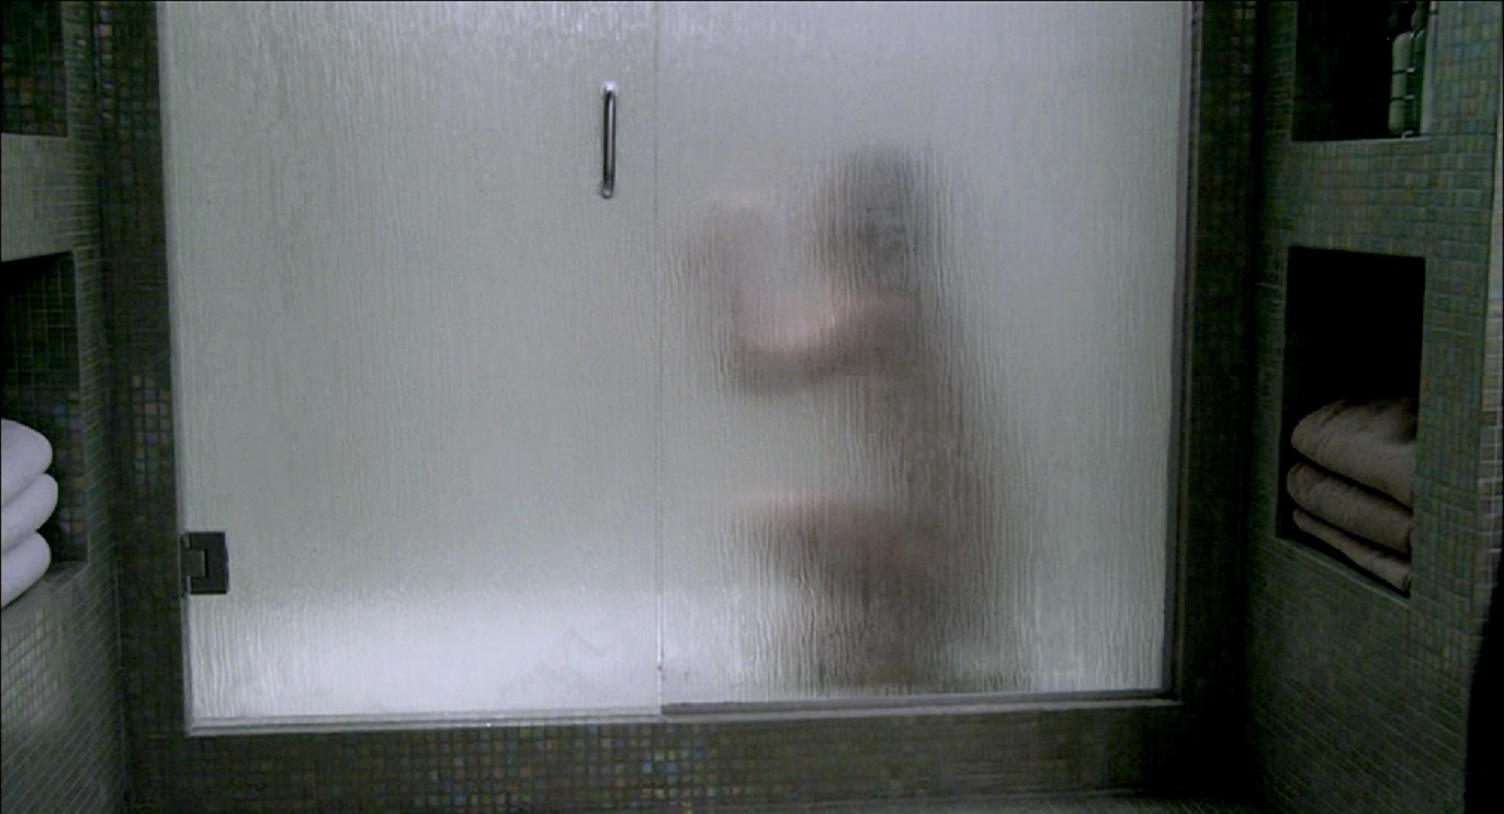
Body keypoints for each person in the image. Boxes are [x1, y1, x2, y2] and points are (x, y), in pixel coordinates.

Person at [693, 149, 983, 692]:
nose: (820, 232)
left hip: (952, 568)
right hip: (957, 562)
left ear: (862, 231)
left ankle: (909, 642)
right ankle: (898, 643)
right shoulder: (894, 313)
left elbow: (755, 366)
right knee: (804, 650)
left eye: (834, 219)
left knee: (775, 521)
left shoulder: (885, 321)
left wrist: (731, 263)